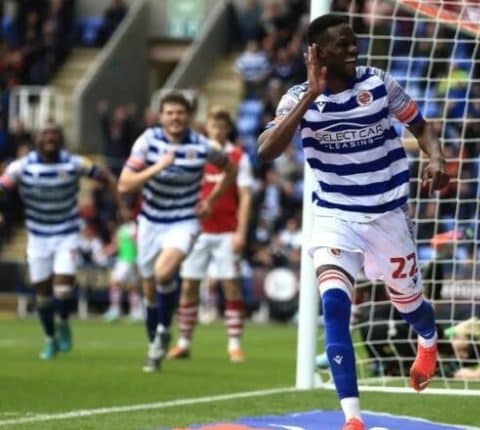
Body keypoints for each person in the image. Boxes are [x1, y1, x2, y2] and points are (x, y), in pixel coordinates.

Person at [257, 14, 450, 430]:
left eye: (353, 41)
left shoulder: (378, 83)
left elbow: (422, 127)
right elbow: (266, 150)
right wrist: (311, 96)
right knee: (334, 306)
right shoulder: (296, 98)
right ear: (317, 53)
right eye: (342, 44)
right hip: (334, 213)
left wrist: (436, 157)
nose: (353, 48)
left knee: (409, 305)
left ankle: (428, 339)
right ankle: (353, 418)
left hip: (388, 212)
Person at [118, 92, 236, 373]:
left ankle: (163, 329)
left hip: (184, 220)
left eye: (180, 113)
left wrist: (211, 200)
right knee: (149, 288)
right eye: (170, 113)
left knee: (163, 273)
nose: (175, 118)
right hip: (150, 221)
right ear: (161, 116)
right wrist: (158, 167)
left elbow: (230, 169)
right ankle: (155, 345)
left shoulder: (202, 145)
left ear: (189, 117)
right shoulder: (148, 141)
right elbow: (124, 184)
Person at [0, 121, 125, 359]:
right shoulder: (22, 166)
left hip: (66, 234)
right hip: (37, 236)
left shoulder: (74, 163)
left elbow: (106, 176)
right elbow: (3, 186)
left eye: (54, 134)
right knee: (43, 293)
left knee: (63, 287)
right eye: (44, 133)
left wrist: (121, 206)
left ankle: (64, 321)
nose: (49, 138)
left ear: (61, 138)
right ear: (37, 139)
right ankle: (50, 338)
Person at [167, 107, 253, 363]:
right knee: (189, 285)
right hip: (197, 230)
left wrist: (241, 231)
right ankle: (183, 343)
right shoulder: (196, 153)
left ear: (228, 129)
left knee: (231, 286)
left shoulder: (239, 157)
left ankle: (234, 344)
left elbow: (246, 197)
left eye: (222, 126)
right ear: (207, 128)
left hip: (227, 230)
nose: (217, 130)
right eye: (214, 126)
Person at [103, 210, 143, 322]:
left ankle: (129, 311)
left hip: (130, 260)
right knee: (128, 286)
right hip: (122, 259)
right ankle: (126, 310)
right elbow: (117, 245)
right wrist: (105, 251)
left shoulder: (134, 228)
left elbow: (137, 243)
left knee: (122, 284)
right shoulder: (121, 229)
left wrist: (137, 259)